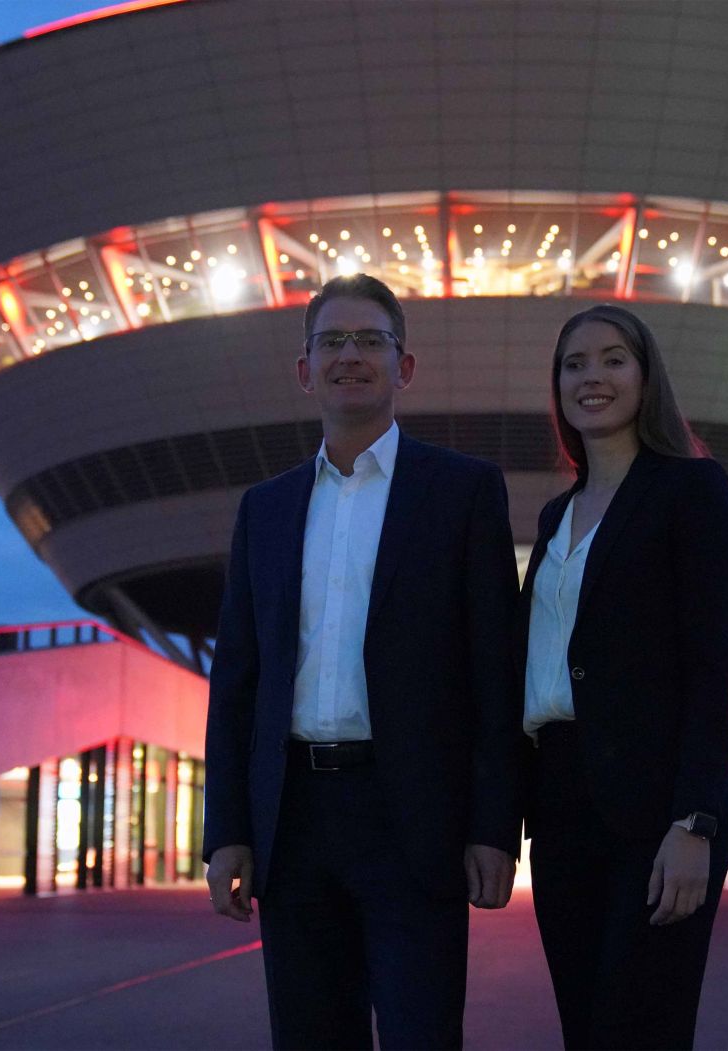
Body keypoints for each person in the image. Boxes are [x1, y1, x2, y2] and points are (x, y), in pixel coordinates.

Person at [202, 274, 522, 1049]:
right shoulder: (266, 508)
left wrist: (494, 827)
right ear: (305, 368)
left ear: (403, 366)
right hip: (295, 819)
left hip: (414, 816)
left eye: (370, 340)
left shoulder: (464, 493)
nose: (351, 356)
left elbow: (494, 670)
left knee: (422, 1032)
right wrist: (227, 829)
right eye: (332, 341)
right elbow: (238, 679)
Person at [517, 304, 728, 1050]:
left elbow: (712, 666)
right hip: (560, 807)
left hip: (658, 812)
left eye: (614, 359)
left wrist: (697, 819)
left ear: (647, 377)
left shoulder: (692, 490)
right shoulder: (555, 518)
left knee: (639, 1028)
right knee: (586, 1031)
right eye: (574, 363)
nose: (593, 377)